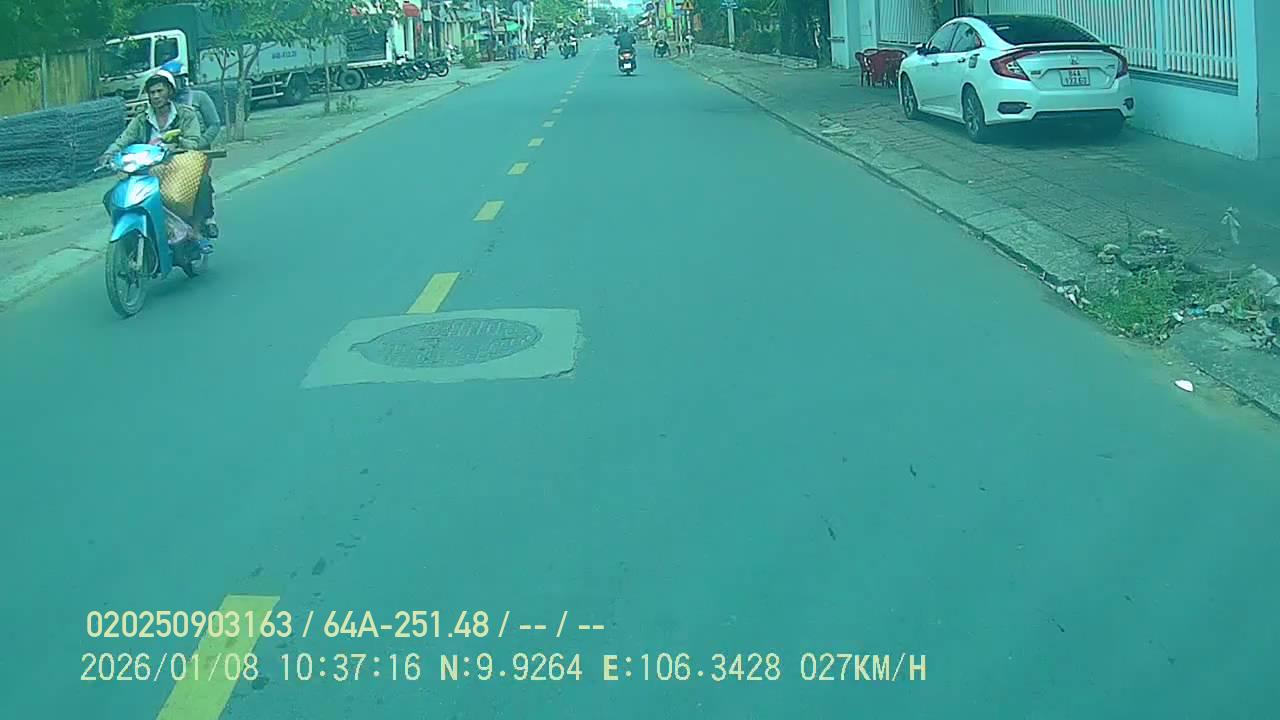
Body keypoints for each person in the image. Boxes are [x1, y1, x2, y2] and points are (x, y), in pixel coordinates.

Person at [99, 69, 213, 252]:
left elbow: (194, 142)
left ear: (170, 92)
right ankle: (131, 237)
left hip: (178, 167)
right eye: (152, 92)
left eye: (160, 91)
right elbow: (124, 139)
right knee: (111, 197)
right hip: (147, 168)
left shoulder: (186, 114)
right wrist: (109, 154)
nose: (156, 96)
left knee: (202, 183)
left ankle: (196, 231)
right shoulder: (142, 118)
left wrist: (177, 142)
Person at [163, 60, 221, 238]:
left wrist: (200, 142)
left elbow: (214, 124)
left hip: (198, 151)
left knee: (201, 182)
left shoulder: (199, 97)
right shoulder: (162, 104)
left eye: (178, 79)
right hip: (172, 152)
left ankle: (208, 219)